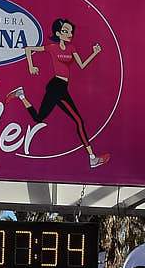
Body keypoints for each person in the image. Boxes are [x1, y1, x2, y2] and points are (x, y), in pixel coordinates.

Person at [8, 18, 108, 169]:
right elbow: (29, 49)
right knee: (78, 121)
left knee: (39, 118)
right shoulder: (52, 47)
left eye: (70, 32)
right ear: (58, 33)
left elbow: (81, 65)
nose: (69, 34)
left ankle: (21, 95)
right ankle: (92, 158)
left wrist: (94, 53)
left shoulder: (71, 48)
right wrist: (31, 66)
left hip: (62, 87)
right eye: (65, 31)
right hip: (56, 86)